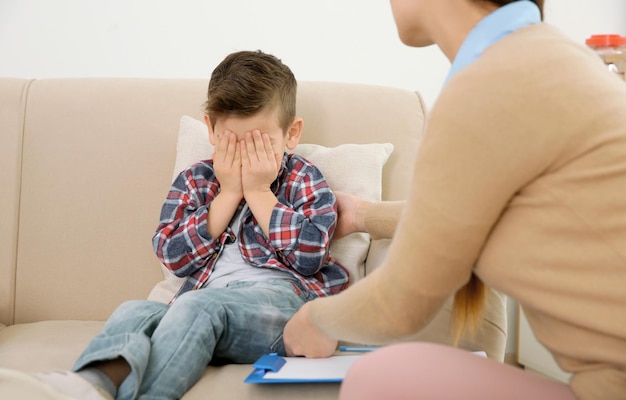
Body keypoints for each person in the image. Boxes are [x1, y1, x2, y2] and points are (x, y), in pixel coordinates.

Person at [283, 1, 626, 399]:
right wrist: (363, 215)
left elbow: (400, 304)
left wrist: (314, 319)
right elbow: (476, 218)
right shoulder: (548, 57)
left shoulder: (489, 83)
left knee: (377, 378)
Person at [35, 50, 349, 400]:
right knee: (136, 310)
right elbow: (173, 256)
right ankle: (92, 384)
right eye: (233, 144)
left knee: (200, 305)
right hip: (198, 312)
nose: (245, 158)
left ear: (291, 134)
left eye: (260, 145)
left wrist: (259, 191)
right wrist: (228, 194)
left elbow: (311, 255)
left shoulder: (302, 178)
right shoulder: (197, 181)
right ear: (211, 129)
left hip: (282, 309)